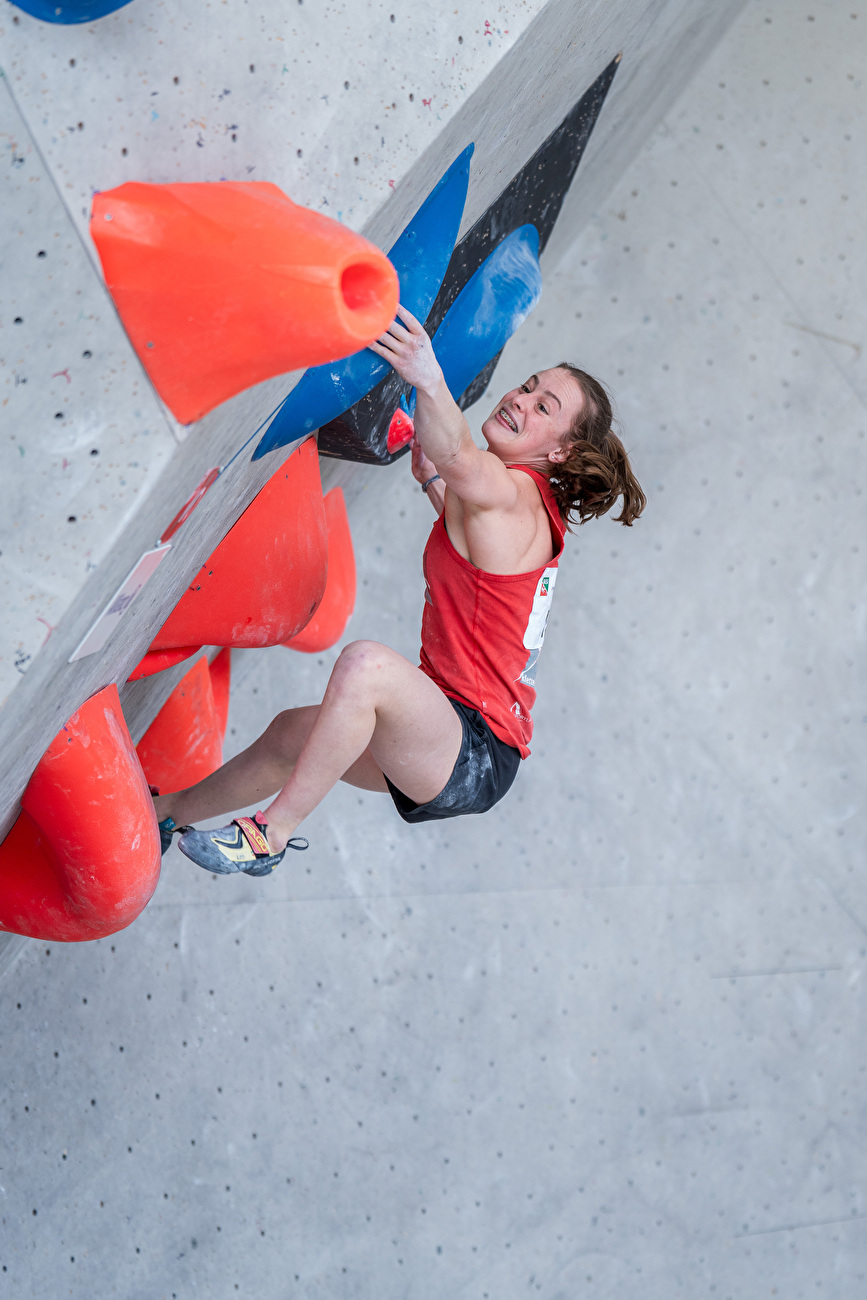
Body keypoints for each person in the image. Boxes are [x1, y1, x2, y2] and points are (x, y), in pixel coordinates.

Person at [153, 305, 645, 875]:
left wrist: (426, 373)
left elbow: (460, 457)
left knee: (367, 668)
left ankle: (270, 835)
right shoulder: (502, 505)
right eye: (528, 386)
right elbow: (474, 558)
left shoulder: (515, 494)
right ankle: (165, 813)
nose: (519, 399)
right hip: (447, 729)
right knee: (293, 735)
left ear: (558, 452)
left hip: (472, 749)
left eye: (543, 408)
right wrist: (432, 479)